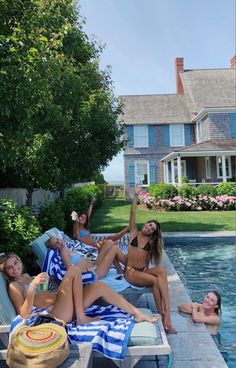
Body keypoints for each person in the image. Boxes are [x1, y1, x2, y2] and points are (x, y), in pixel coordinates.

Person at [0, 253, 159, 325]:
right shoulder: (14, 286)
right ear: (6, 272)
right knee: (74, 270)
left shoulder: (26, 275)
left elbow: (44, 292)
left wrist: (41, 284)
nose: (15, 268)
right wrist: (33, 287)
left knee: (98, 286)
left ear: (19, 261)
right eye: (9, 268)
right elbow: (24, 313)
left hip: (64, 305)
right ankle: (81, 317)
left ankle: (137, 314)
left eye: (15, 263)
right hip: (55, 314)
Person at [124, 185, 176, 334]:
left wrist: (146, 268)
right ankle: (165, 316)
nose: (149, 228)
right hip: (131, 272)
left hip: (142, 272)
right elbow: (133, 212)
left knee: (161, 272)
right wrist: (135, 195)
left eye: (152, 229)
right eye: (149, 225)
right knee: (155, 281)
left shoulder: (151, 242)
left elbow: (148, 257)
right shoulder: (133, 232)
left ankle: (166, 313)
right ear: (145, 223)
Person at [46, 235, 127, 279]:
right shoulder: (63, 252)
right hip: (95, 272)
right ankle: (130, 266)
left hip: (94, 265)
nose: (59, 242)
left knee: (109, 243)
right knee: (114, 249)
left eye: (58, 239)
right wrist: (86, 271)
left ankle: (120, 270)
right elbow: (71, 270)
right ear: (54, 248)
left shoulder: (66, 247)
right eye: (56, 243)